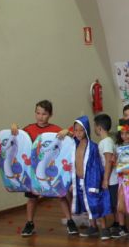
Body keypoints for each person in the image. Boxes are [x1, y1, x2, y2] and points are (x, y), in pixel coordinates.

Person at [11, 100, 79, 237]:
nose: (40, 117)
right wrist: (14, 128)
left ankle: (70, 221)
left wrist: (68, 131)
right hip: (33, 172)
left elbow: (74, 135)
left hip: (51, 171)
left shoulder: (55, 130)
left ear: (50, 114)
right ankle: (29, 223)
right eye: (38, 113)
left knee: (61, 196)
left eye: (44, 114)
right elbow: (18, 138)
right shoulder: (29, 129)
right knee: (32, 198)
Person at [71, 116, 113, 240]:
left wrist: (95, 182)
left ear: (87, 130)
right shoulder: (74, 145)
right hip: (80, 181)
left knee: (96, 204)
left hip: (90, 181)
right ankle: (93, 226)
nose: (78, 133)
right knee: (87, 205)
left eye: (81, 130)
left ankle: (104, 228)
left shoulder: (93, 147)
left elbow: (96, 166)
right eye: (76, 130)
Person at [94, 114, 121, 238]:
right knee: (113, 203)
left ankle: (119, 225)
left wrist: (105, 179)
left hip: (111, 179)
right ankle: (116, 223)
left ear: (99, 128)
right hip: (110, 178)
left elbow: (109, 161)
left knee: (114, 203)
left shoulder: (106, 142)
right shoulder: (106, 141)